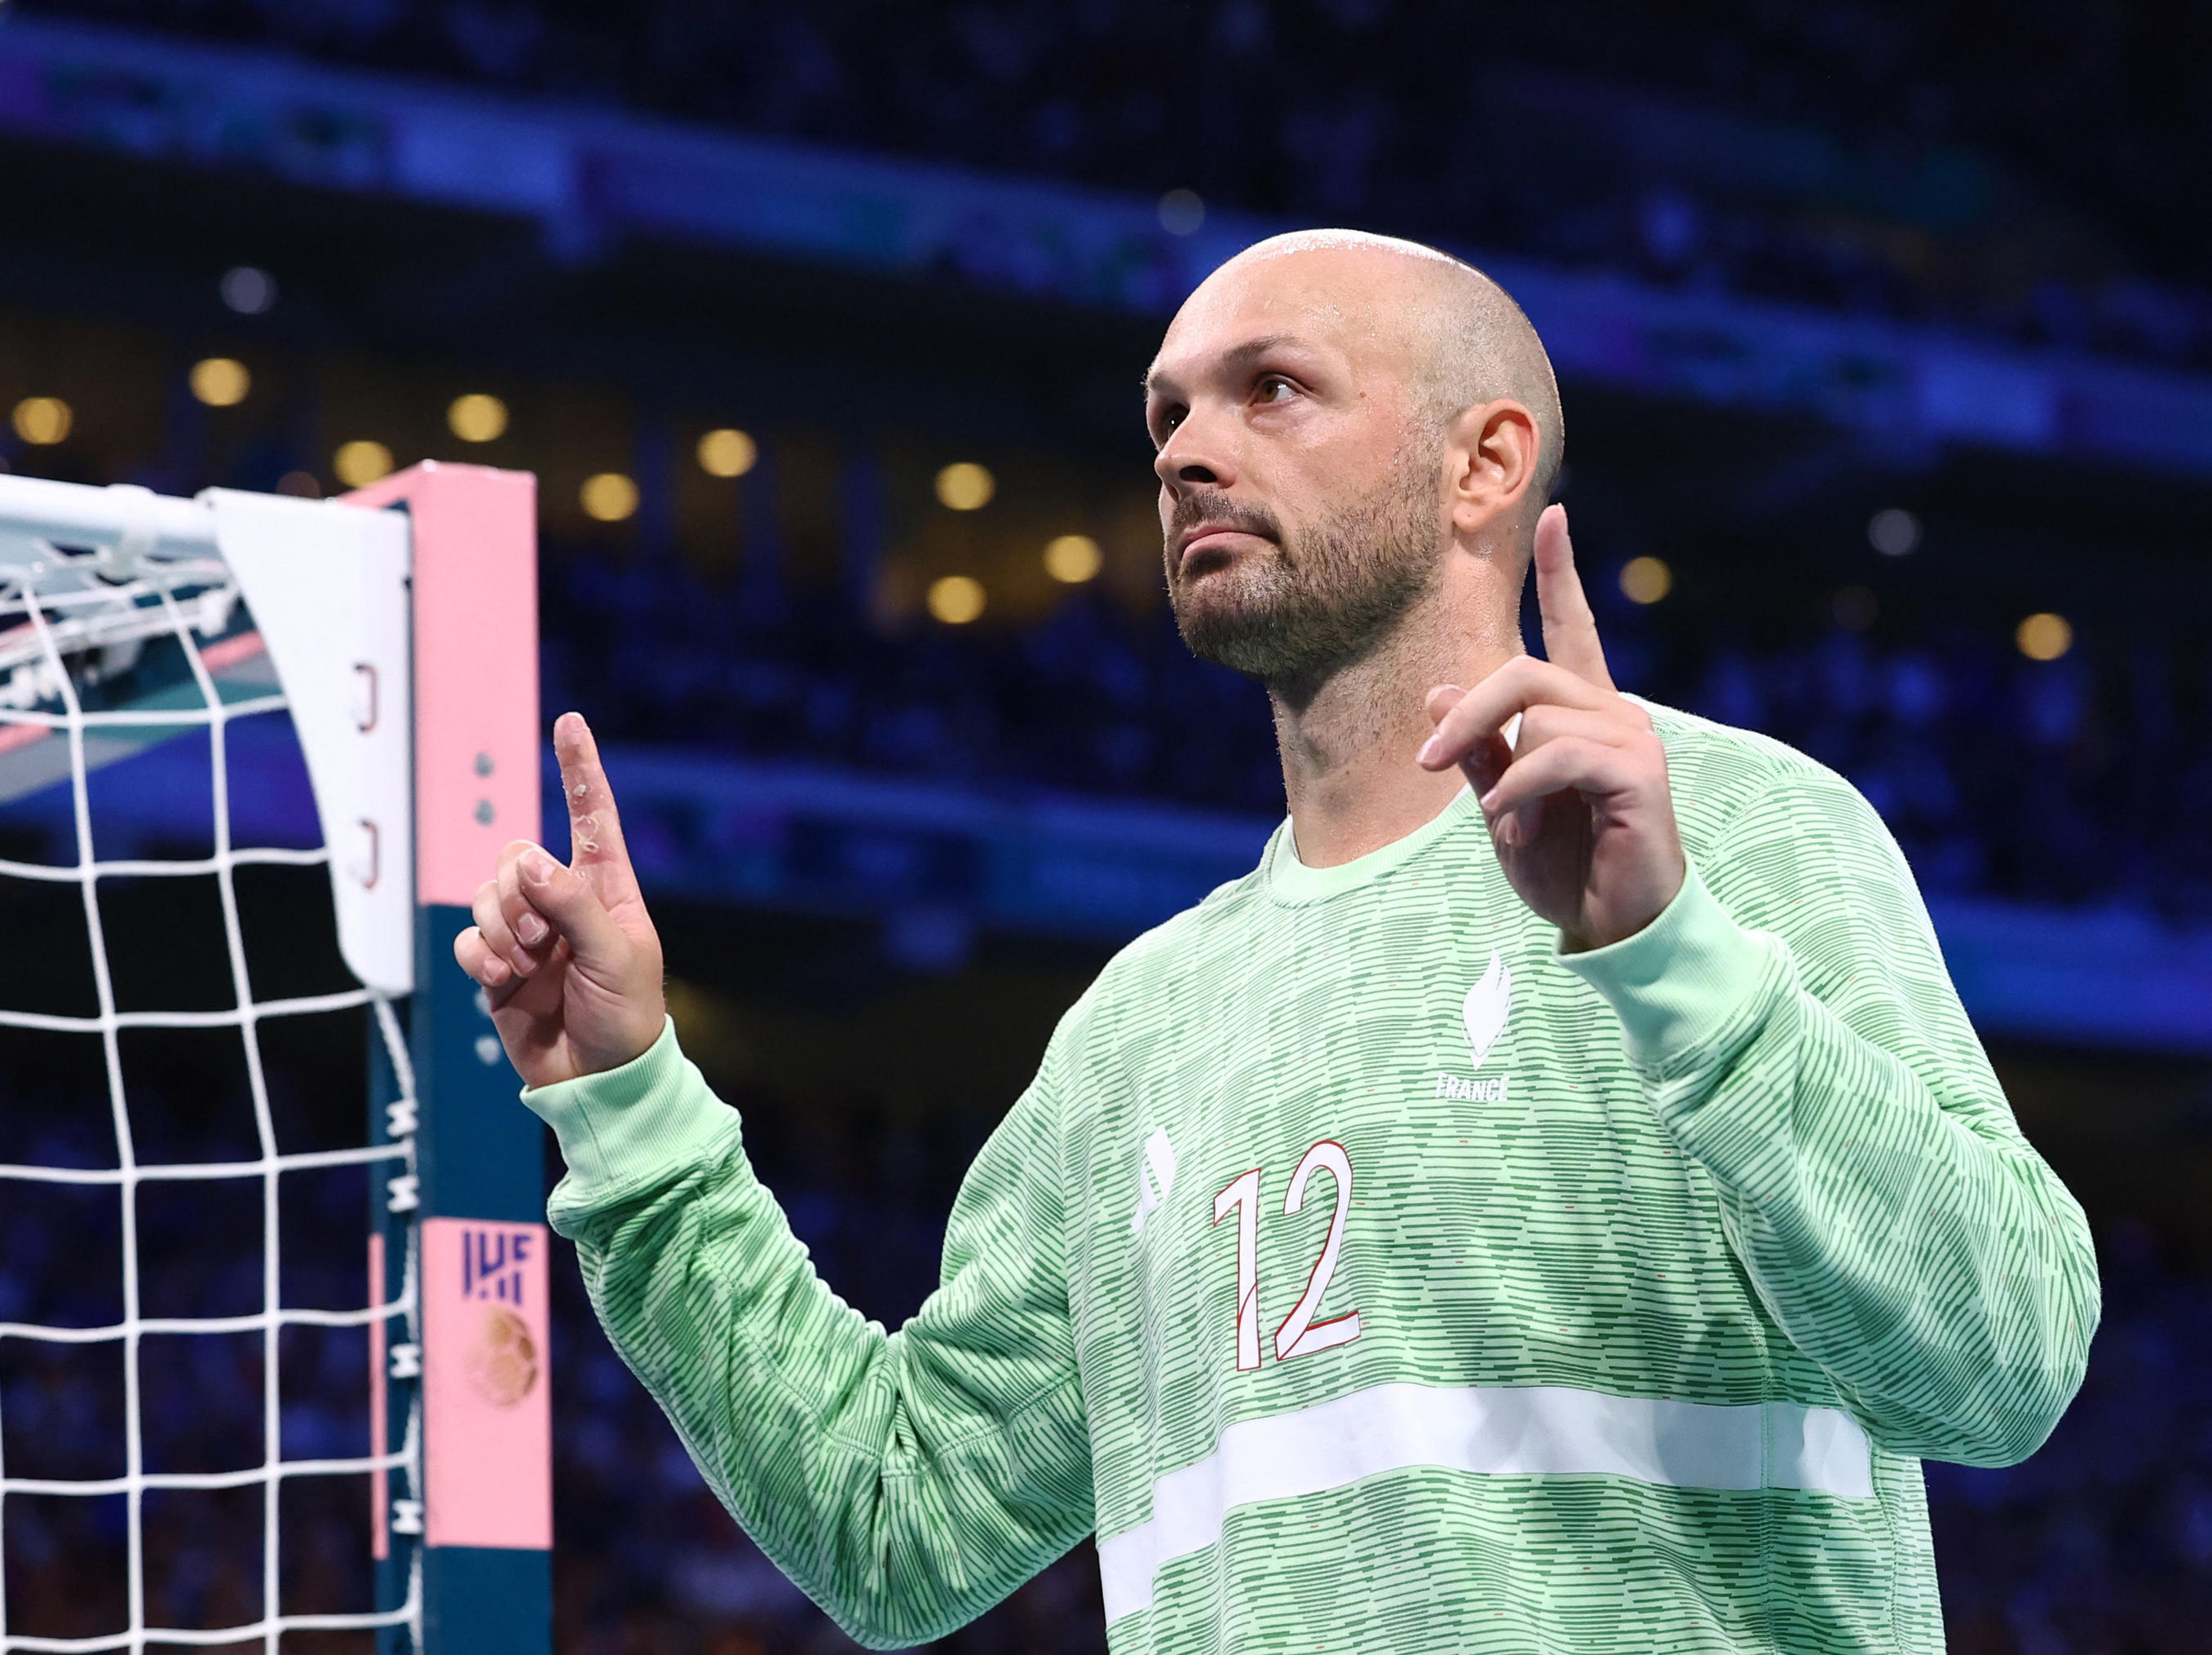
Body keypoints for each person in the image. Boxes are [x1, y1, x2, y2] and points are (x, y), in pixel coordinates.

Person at [456, 231, 2099, 1653]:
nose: (1183, 448)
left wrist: (1670, 958)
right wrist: (634, 1112)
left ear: (1480, 462)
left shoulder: (1732, 834)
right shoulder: (1138, 1029)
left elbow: (2003, 1359)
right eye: (1165, 410)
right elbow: (902, 1520)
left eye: (1272, 390)